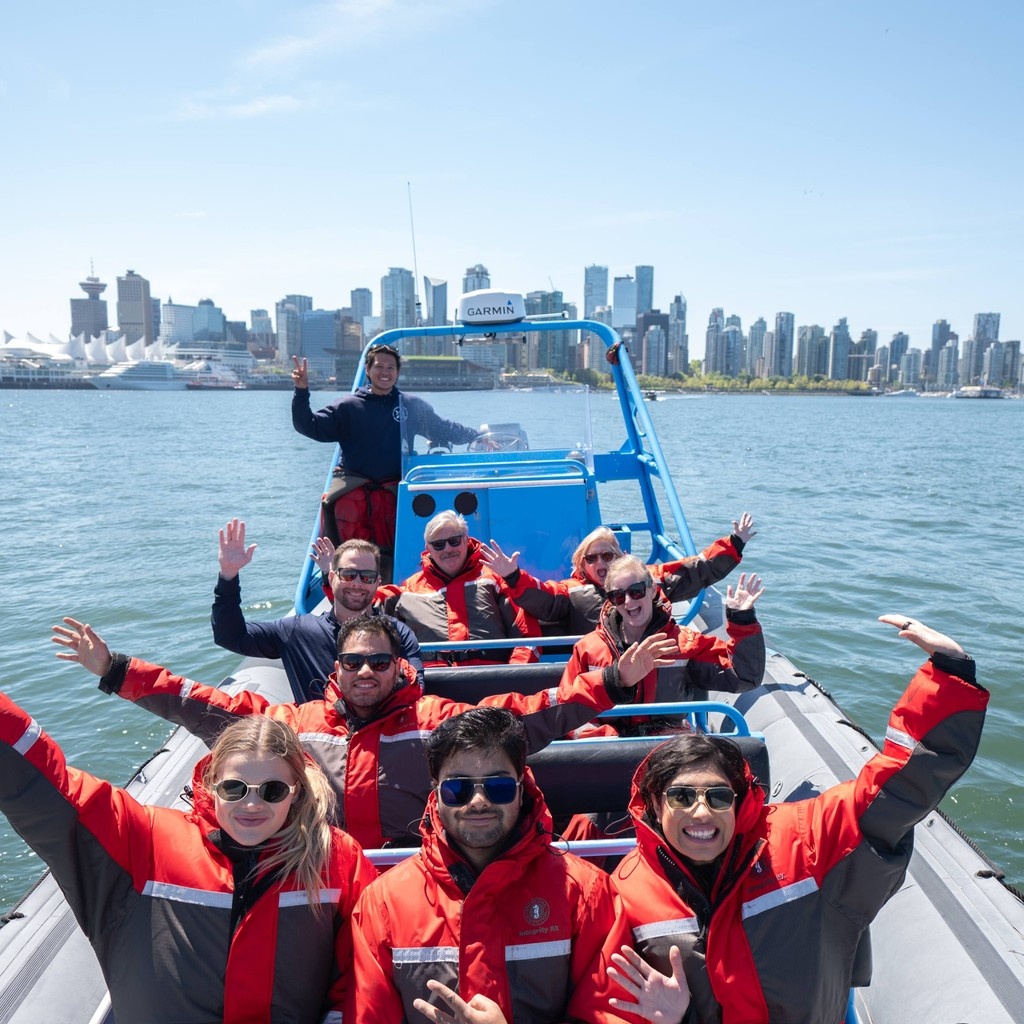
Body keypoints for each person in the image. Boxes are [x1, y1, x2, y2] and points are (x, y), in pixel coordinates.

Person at [606, 616, 988, 1024]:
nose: (702, 812)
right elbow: (610, 1001)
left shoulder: (801, 841)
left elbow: (892, 790)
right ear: (654, 804)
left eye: (718, 796)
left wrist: (949, 675)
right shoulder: (625, 890)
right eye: (681, 796)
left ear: (738, 802)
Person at [52, 612, 666, 850]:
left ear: (401, 667)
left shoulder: (436, 724)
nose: (366, 672)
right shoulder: (295, 727)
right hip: (325, 872)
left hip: (421, 869)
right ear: (336, 670)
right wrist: (115, 671)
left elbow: (534, 715)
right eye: (353, 662)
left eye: (379, 662)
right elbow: (203, 706)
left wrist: (611, 682)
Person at [0, 691, 375, 1024]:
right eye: (234, 788)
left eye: (272, 790)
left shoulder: (337, 858)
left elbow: (369, 959)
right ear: (211, 784)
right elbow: (51, 786)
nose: (251, 804)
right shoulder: (145, 842)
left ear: (296, 791)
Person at [346, 707, 632, 1024]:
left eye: (498, 787)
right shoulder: (383, 902)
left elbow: (610, 1013)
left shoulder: (587, 892)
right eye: (458, 788)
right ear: (436, 792)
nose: (479, 801)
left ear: (521, 789)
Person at [291, 344, 480, 581]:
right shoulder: (347, 407)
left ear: (398, 373)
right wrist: (301, 391)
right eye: (379, 366)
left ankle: (391, 597)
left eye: (391, 367)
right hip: (356, 496)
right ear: (368, 370)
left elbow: (444, 428)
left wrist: (478, 438)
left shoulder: (410, 406)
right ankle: (352, 597)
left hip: (393, 496)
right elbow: (307, 425)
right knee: (354, 558)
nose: (385, 372)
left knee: (394, 556)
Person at [212, 517, 423, 700]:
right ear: (332, 577)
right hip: (318, 740)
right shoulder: (299, 632)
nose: (357, 583)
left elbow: (416, 686)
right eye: (349, 575)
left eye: (366, 577)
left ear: (377, 583)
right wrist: (228, 576)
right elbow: (231, 636)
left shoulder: (398, 633)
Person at [561, 556, 766, 737]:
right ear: (611, 601)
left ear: (651, 590)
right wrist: (605, 739)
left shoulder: (685, 643)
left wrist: (742, 620)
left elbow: (743, 677)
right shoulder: (588, 648)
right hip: (607, 751)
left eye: (636, 591)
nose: (629, 601)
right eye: (618, 596)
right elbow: (568, 706)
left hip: (668, 744)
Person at [483, 512, 756, 636]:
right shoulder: (570, 591)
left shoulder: (648, 578)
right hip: (600, 669)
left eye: (608, 555)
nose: (600, 561)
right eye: (592, 558)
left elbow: (697, 570)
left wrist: (734, 544)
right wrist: (513, 576)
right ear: (582, 564)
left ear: (620, 557)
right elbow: (542, 597)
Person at [378, 510, 542, 667]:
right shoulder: (408, 591)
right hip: (432, 685)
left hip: (491, 681)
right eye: (439, 545)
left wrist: (512, 676)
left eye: (454, 541)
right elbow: (363, 599)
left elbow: (527, 637)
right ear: (428, 549)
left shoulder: (495, 580)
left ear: (465, 539)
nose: (448, 549)